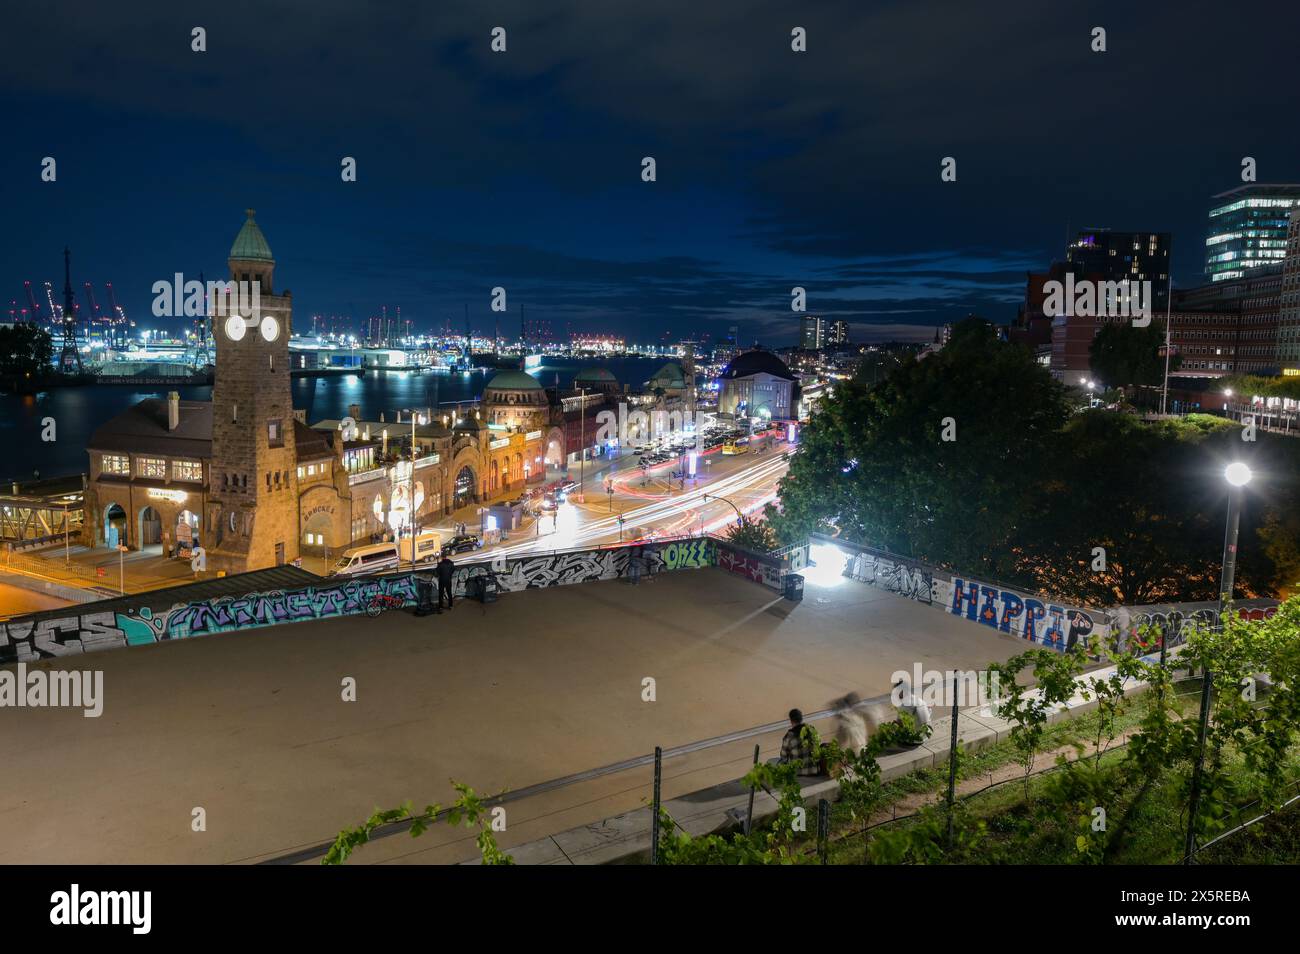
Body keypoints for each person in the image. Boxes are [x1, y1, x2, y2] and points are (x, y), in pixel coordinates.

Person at [777, 708, 821, 776]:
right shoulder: (811, 730)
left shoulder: (789, 736)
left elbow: (783, 756)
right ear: (801, 719)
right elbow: (818, 747)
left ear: (791, 720)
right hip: (814, 771)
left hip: (798, 774)